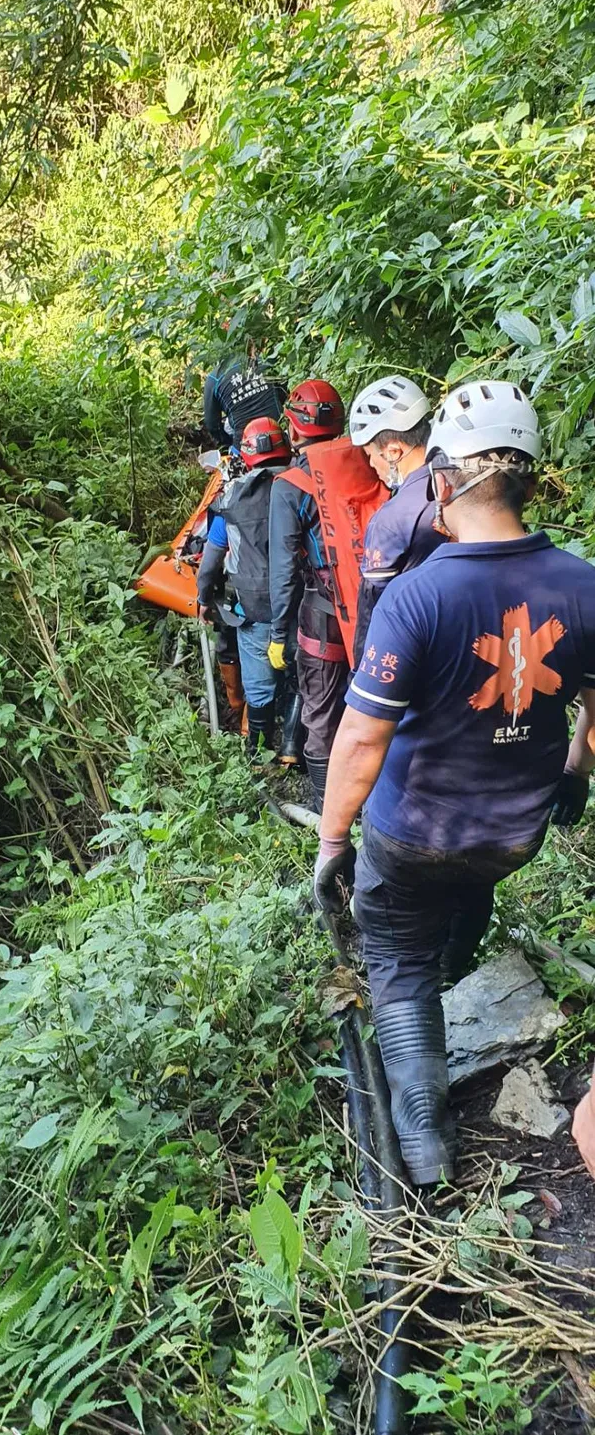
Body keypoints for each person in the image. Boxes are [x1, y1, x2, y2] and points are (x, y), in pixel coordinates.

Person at [314, 379, 595, 1186]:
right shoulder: (583, 585)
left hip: (412, 832)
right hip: (514, 833)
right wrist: (575, 769)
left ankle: (426, 1139)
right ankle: (454, 978)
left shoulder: (418, 595)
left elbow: (361, 736)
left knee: (395, 948)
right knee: (467, 882)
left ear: (445, 477)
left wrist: (333, 840)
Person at [267, 380, 347, 811]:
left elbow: (283, 569)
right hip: (381, 602)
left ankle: (327, 812)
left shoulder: (291, 485)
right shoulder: (367, 460)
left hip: (325, 612)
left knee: (321, 710)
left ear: (294, 428)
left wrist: (279, 634)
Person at [197, 416, 292, 756]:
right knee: (300, 678)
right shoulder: (304, 485)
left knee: (259, 685)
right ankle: (295, 746)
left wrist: (203, 598)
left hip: (254, 607)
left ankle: (258, 752)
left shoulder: (232, 499)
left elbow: (210, 563)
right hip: (303, 603)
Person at [348, 375, 445, 667]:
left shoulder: (391, 520)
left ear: (393, 450)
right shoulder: (462, 487)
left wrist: (359, 678)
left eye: (370, 454)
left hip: (415, 659)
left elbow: (372, 612)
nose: (370, 464)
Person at [203, 341, 288, 451]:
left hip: (245, 444)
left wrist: (228, 442)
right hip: (279, 433)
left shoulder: (214, 379)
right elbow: (283, 393)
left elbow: (212, 425)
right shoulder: (263, 362)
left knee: (228, 426)